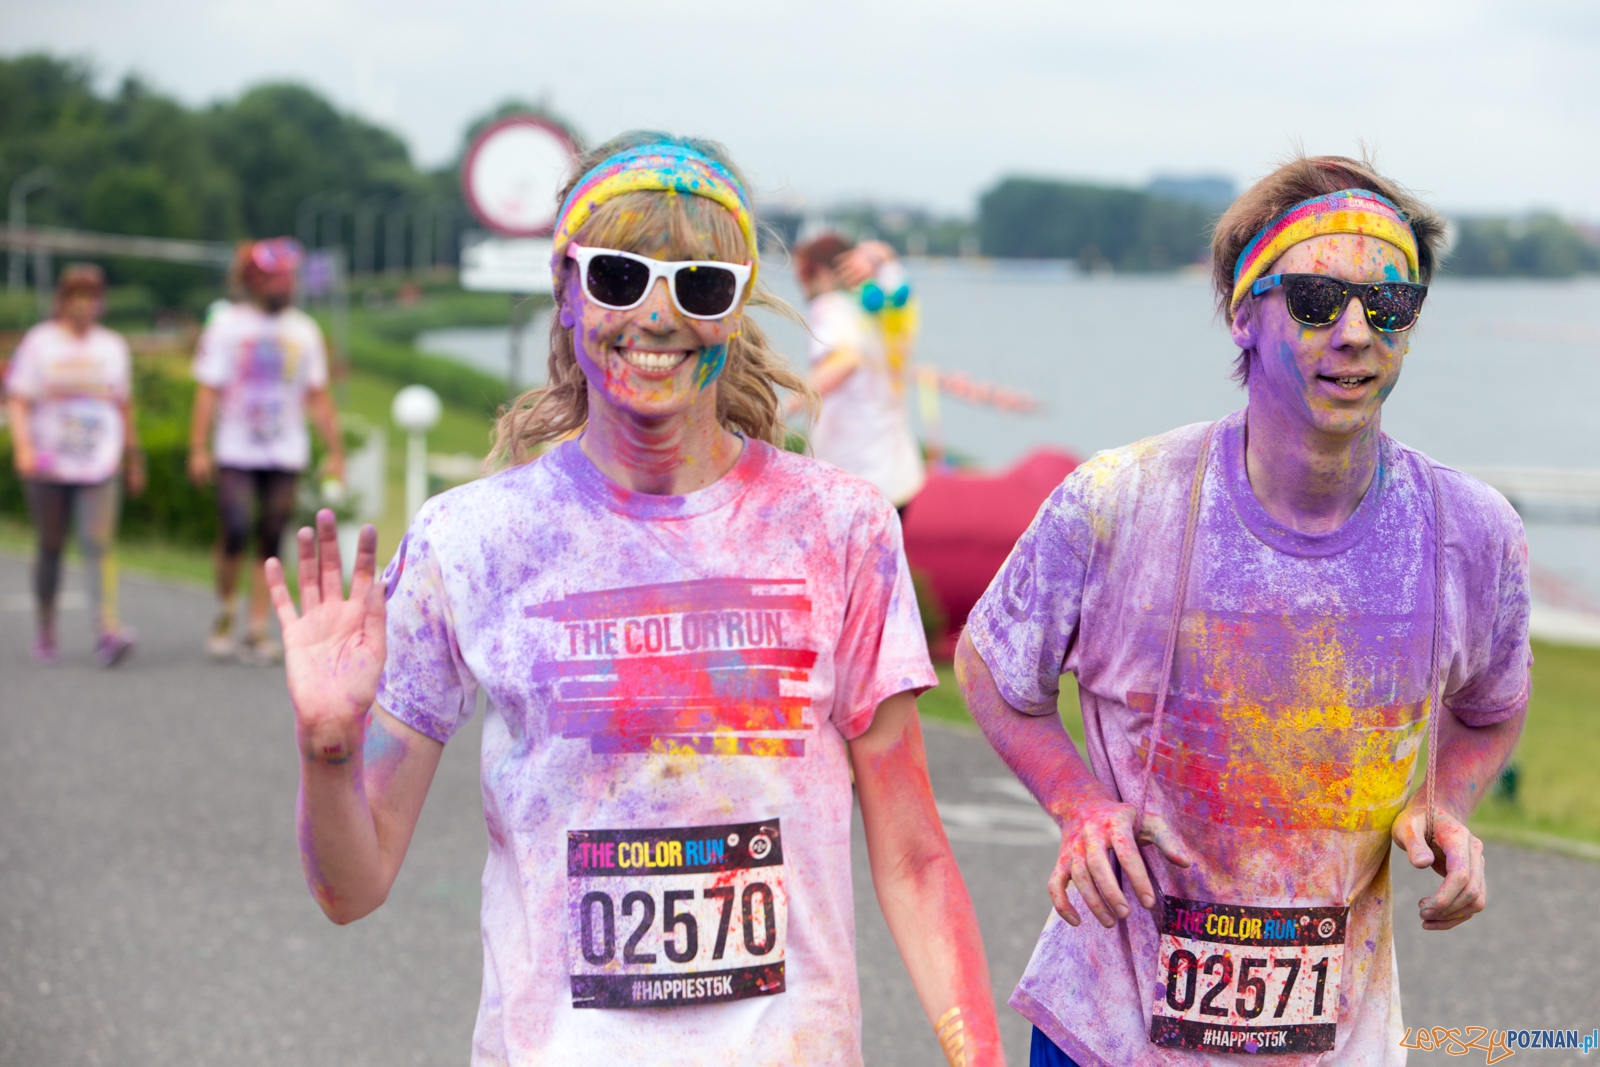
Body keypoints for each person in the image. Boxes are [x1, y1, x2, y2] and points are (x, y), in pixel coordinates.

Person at [265, 133, 1003, 1066]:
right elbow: (351, 886)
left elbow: (914, 858)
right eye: (619, 277)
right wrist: (327, 746)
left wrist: (975, 1051)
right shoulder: (474, 541)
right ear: (567, 290)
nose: (656, 316)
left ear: (734, 309)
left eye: (698, 287)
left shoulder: (838, 527)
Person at [956, 157, 1530, 1066]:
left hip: (1334, 1037)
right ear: (1243, 313)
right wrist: (1076, 805)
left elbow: (1494, 703)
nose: (1354, 334)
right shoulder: (1120, 501)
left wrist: (1445, 800)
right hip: (1110, 1029)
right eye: (1313, 299)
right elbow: (991, 666)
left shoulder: (1469, 531)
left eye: (1389, 305)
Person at [189, 237, 343, 664]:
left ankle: (257, 626)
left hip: (285, 451)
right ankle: (225, 609)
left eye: (288, 279)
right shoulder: (226, 325)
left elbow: (318, 397)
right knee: (235, 529)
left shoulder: (304, 330)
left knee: (271, 539)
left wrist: (336, 453)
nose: (284, 286)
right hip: (236, 448)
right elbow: (207, 391)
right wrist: (198, 447)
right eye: (275, 279)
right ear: (254, 281)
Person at [5, 263, 144, 666]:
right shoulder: (40, 343)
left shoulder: (112, 347)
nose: (83, 306)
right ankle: (46, 628)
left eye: (91, 297)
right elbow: (18, 398)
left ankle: (107, 629)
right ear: (63, 300)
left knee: (99, 544)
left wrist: (133, 457)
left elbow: (123, 405)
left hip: (99, 462)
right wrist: (23, 448)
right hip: (49, 463)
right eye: (76, 297)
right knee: (51, 547)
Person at [792, 234, 926, 511]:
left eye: (803, 274)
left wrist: (778, 409)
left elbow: (846, 360)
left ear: (822, 273)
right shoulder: (887, 309)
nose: (801, 284)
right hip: (898, 475)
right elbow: (890, 263)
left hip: (848, 477)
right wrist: (875, 254)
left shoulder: (828, 306)